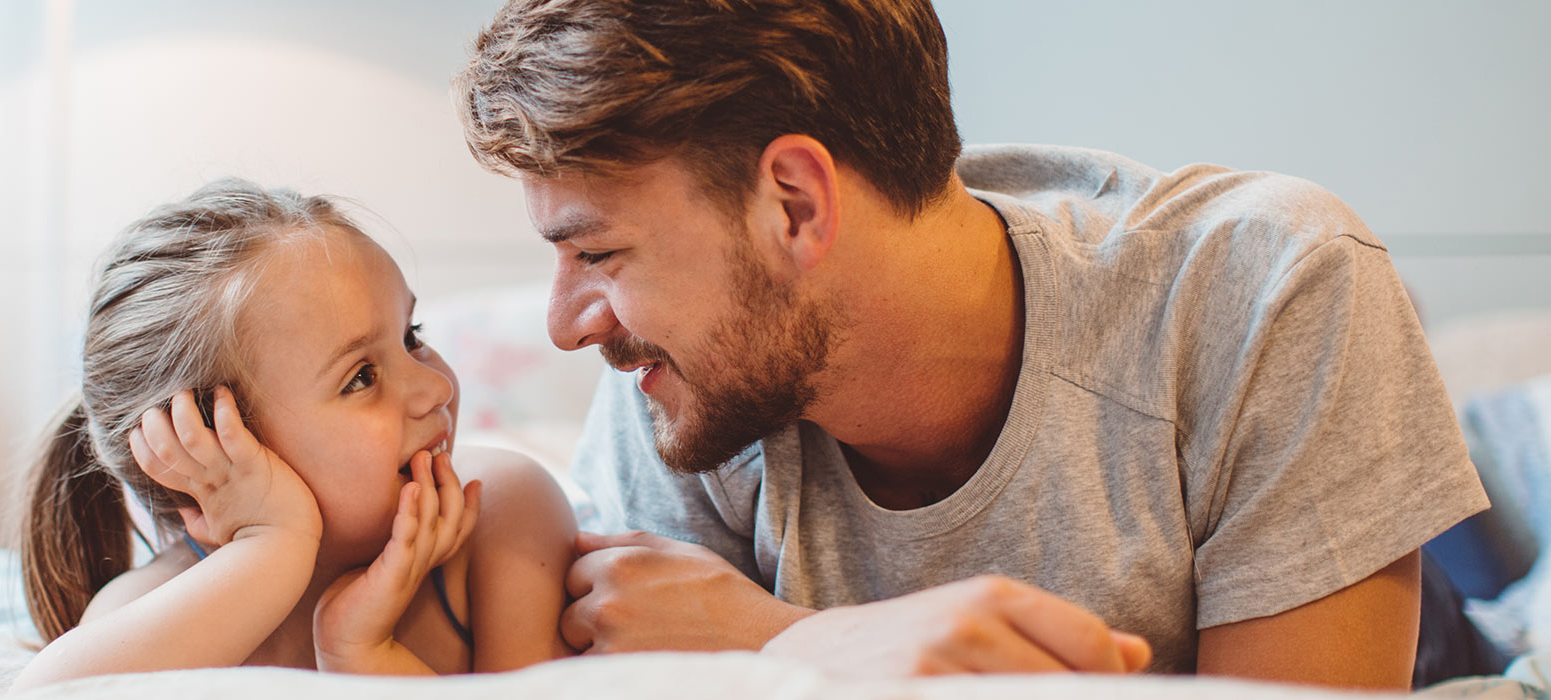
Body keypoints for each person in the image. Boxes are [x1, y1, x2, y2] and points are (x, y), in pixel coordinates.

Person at [454, 0, 1491, 690]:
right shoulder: (684, 381)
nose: (565, 322)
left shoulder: (1267, 283)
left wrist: (785, 640)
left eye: (596, 252)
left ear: (794, 203)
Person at [9, 180, 577, 691]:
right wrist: (272, 545)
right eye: (361, 377)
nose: (434, 387)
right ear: (205, 451)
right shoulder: (159, 604)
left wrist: (360, 651)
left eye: (412, 335)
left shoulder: (503, 511)